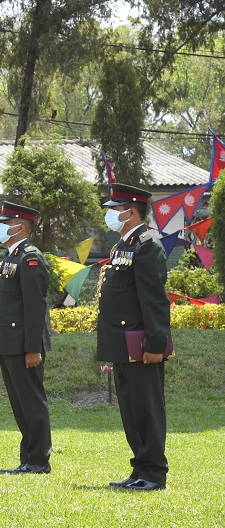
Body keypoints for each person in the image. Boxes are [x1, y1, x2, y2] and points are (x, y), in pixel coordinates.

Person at [97, 184, 170, 491]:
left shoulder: (147, 244)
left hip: (141, 343)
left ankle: (153, 472)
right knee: (130, 408)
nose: (110, 214)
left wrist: (155, 343)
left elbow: (154, 299)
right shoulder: (123, 246)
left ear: (131, 212)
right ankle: (139, 468)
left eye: (116, 209)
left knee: (146, 407)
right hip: (121, 343)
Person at [0, 202, 52, 475]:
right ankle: (28, 457)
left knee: (31, 402)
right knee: (19, 403)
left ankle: (38, 459)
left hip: (24, 343)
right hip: (8, 342)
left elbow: (35, 307)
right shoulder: (11, 257)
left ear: (21, 227)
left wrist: (33, 348)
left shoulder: (30, 258)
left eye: (6, 222)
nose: (1, 227)